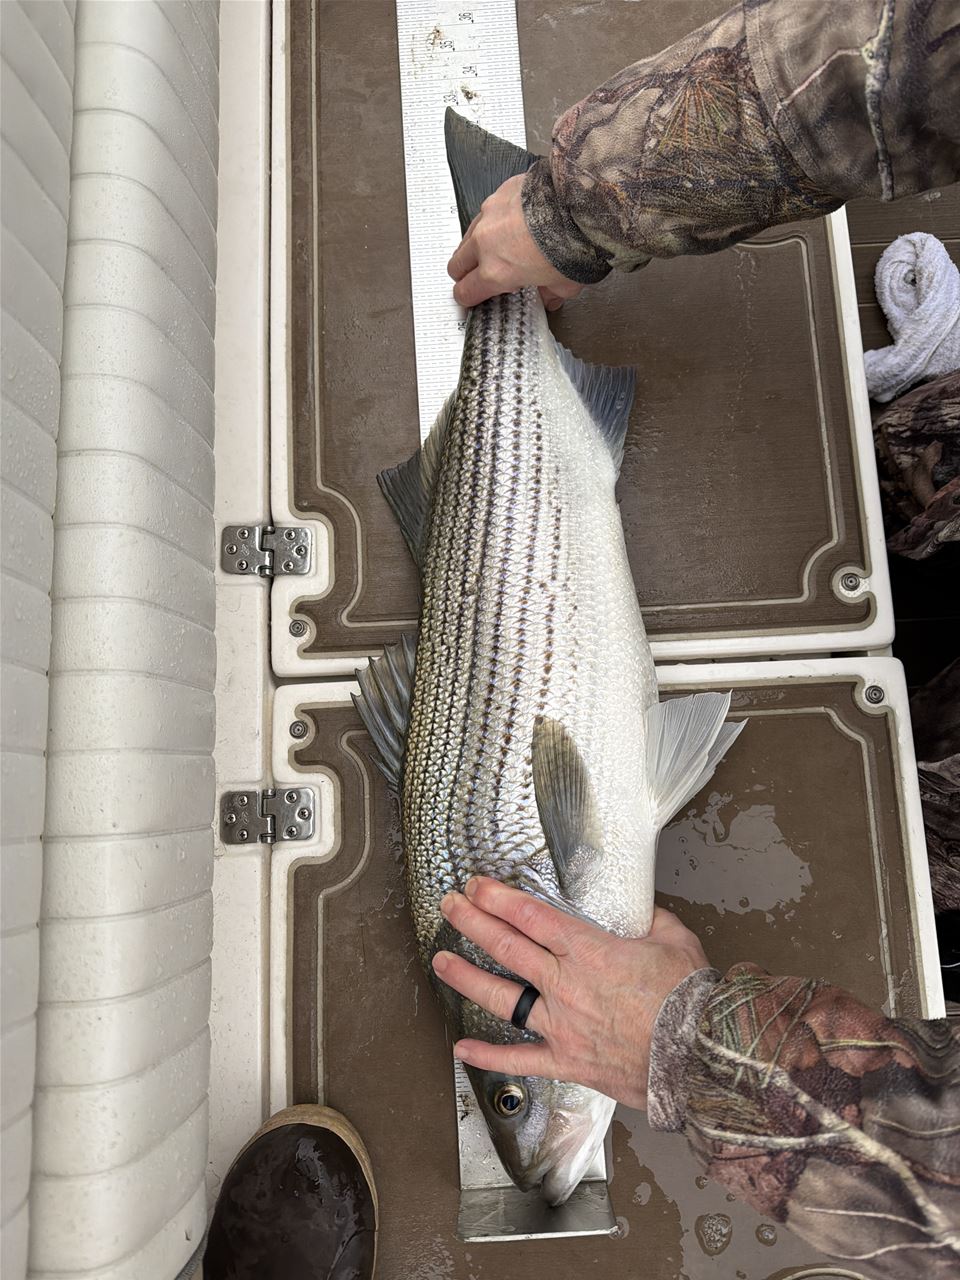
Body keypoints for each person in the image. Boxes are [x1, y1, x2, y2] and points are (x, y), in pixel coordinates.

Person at [205, 2, 960, 1275]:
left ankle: (506, 248)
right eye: (518, 1101)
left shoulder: (554, 881)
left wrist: (684, 1049)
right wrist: (567, 211)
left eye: (512, 1093)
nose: (539, 1131)